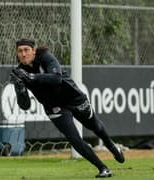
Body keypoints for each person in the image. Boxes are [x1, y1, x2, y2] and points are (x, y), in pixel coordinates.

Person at [10, 38, 125, 178]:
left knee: (96, 126)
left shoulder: (46, 57)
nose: (23, 54)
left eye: (26, 50)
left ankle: (112, 146)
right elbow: (25, 105)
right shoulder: (19, 72)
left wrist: (31, 77)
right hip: (54, 107)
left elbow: (56, 78)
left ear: (33, 51)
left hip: (73, 98)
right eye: (20, 51)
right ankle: (103, 168)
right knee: (74, 139)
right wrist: (20, 89)